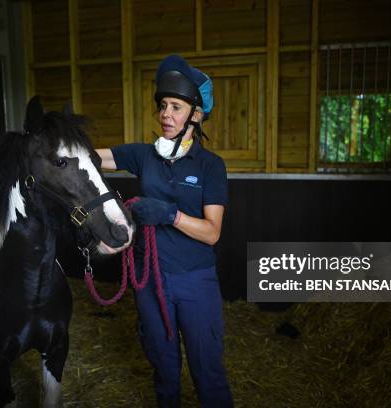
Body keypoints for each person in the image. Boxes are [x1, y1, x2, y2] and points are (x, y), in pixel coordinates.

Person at [96, 54, 233, 408]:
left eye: (175, 107)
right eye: (162, 106)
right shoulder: (144, 156)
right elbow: (91, 159)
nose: (165, 114)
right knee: (164, 370)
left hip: (195, 281)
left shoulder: (210, 166)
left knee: (208, 371)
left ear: (196, 115)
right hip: (150, 281)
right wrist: (55, 143)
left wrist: (169, 215)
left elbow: (212, 232)